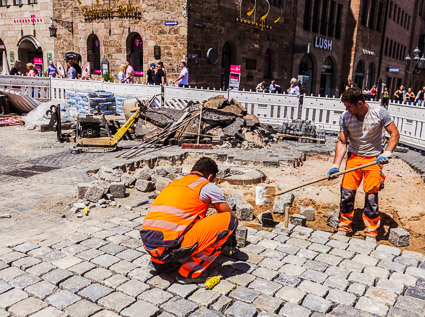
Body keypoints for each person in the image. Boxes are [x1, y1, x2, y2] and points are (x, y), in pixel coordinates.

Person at [140, 157, 239, 283]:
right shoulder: (206, 186)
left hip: (149, 244)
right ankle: (190, 272)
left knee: (176, 223)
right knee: (230, 221)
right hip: (170, 247)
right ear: (209, 177)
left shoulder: (175, 183)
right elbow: (229, 216)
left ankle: (159, 263)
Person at [328, 87, 400, 240]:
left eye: (349, 106)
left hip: (373, 159)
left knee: (371, 197)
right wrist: (336, 165)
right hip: (354, 158)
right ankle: (344, 225)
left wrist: (387, 153)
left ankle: (371, 230)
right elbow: (342, 142)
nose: (346, 109)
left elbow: (394, 133)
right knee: (346, 193)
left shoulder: (379, 113)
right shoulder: (345, 117)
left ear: (360, 103)